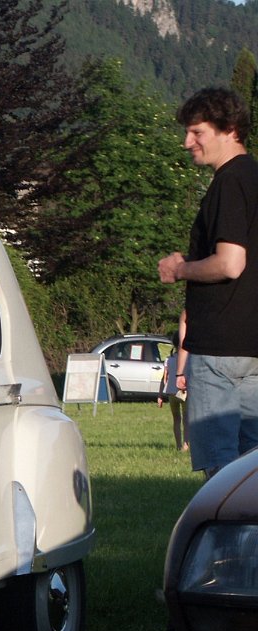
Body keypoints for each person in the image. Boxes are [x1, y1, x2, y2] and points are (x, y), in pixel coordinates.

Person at [158, 87, 258, 479]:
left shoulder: (229, 183)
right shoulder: (254, 178)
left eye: (197, 132)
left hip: (219, 351)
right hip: (252, 349)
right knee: (250, 473)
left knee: (222, 476)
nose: (187, 142)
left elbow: (230, 263)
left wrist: (180, 269)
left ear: (229, 129)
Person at [157, 331, 189, 452]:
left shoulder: (168, 359)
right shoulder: (187, 359)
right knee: (186, 419)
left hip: (171, 392)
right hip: (184, 392)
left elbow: (164, 378)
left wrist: (160, 395)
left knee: (176, 419)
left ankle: (178, 445)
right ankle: (186, 445)